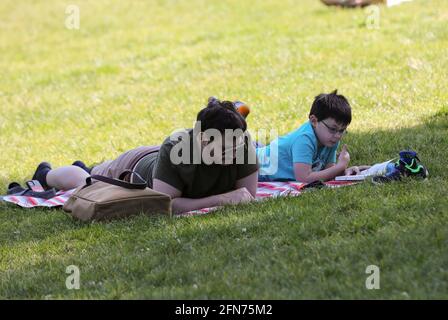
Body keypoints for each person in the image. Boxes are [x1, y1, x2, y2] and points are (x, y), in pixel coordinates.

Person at [31, 98, 259, 214]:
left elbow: (246, 194)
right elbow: (164, 204)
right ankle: (45, 173)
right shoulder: (176, 150)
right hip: (133, 168)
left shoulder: (241, 142)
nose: (232, 152)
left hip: (158, 160)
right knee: (87, 180)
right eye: (223, 148)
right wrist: (220, 200)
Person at [256, 90, 364, 183]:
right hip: (252, 165)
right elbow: (303, 178)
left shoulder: (330, 139)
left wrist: (345, 171)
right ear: (314, 121)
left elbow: (328, 172)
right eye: (333, 129)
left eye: (342, 130)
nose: (337, 136)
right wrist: (340, 166)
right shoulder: (304, 139)